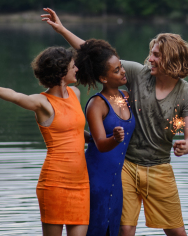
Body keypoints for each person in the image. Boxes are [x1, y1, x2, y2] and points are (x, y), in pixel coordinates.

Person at [41, 8, 188, 236]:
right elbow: (99, 60)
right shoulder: (138, 73)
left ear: (172, 59)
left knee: (177, 232)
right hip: (127, 166)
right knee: (124, 228)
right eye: (151, 53)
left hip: (160, 167)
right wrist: (62, 29)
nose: (150, 58)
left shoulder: (187, 93)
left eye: (156, 55)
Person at [0, 46, 90, 236]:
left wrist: (95, 138)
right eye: (72, 66)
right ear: (61, 72)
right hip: (54, 184)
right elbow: (16, 96)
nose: (76, 69)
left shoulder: (75, 94)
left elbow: (74, 130)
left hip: (81, 183)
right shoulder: (42, 102)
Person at [75, 39, 136, 236]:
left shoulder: (126, 97)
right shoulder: (96, 105)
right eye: (116, 70)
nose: (123, 71)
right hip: (95, 178)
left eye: (121, 67)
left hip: (115, 180)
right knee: (95, 229)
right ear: (103, 78)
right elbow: (101, 144)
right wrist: (115, 139)